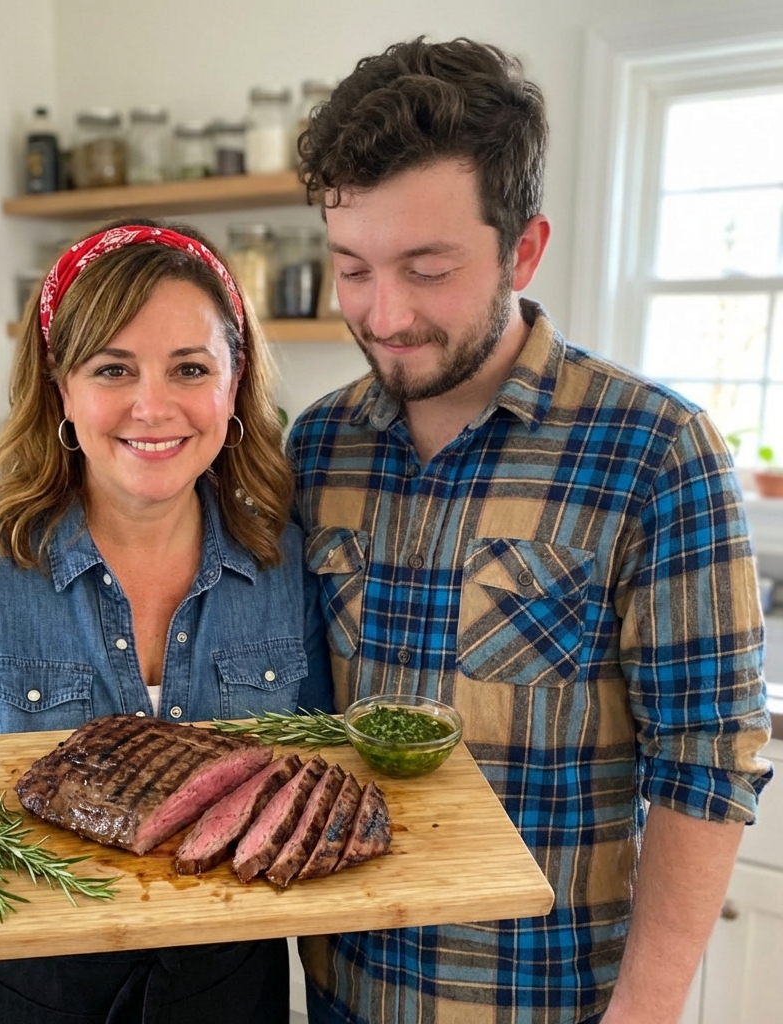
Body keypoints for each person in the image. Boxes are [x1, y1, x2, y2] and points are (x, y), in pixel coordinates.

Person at [288, 37, 773, 1024]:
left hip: (545, 1004)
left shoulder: (651, 448)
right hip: (339, 993)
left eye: (428, 269)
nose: (385, 314)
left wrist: (645, 1012)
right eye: (352, 270)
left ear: (524, 249)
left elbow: (708, 758)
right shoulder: (319, 446)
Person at [0, 220, 333, 1024]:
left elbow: (308, 780)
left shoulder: (283, 564)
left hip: (227, 994)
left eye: (190, 368)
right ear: (60, 389)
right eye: (113, 368)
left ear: (234, 384)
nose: (154, 406)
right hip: (11, 996)